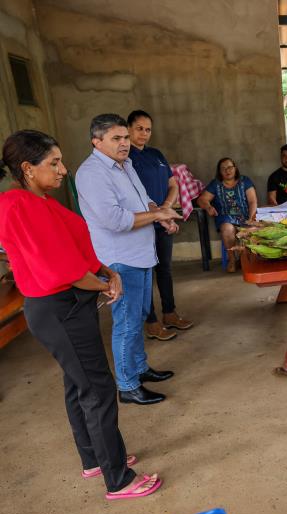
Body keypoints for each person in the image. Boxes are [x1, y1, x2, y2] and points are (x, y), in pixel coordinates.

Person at [0, 130, 162, 499]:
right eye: (53, 163)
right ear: (27, 168)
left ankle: (95, 459)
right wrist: (104, 283)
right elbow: (62, 268)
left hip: (69, 304)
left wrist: (108, 272)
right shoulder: (17, 204)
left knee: (78, 384)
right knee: (98, 388)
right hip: (58, 309)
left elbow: (75, 247)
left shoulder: (39, 201)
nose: (62, 169)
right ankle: (118, 478)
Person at [77, 114, 179, 406]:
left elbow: (143, 200)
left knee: (138, 315)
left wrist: (161, 216)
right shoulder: (92, 172)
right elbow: (114, 220)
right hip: (120, 259)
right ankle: (127, 385)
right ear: (97, 142)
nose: (125, 143)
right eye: (116, 139)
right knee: (127, 322)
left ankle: (139, 368)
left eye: (125, 137)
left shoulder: (126, 164)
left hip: (142, 253)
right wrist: (157, 215)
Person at [127, 110, 194, 342]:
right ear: (128, 129)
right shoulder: (125, 158)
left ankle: (170, 313)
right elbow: (133, 195)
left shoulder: (156, 154)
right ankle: (151, 322)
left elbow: (172, 184)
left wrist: (166, 208)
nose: (144, 134)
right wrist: (157, 213)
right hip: (142, 223)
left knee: (164, 269)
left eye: (148, 129)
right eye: (139, 128)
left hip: (162, 220)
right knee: (146, 273)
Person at [196, 157, 257, 273]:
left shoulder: (245, 181)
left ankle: (247, 259)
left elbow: (252, 201)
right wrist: (208, 207)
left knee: (254, 229)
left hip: (245, 217)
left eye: (230, 167)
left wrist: (251, 218)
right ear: (219, 171)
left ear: (235, 168)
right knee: (227, 229)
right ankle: (232, 259)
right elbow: (202, 199)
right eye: (223, 169)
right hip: (226, 218)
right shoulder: (216, 184)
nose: (227, 171)